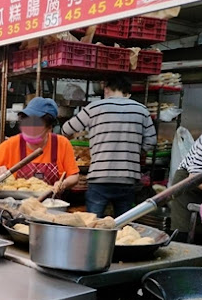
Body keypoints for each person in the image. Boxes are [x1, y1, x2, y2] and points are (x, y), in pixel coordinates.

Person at [61, 75, 157, 217]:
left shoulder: (94, 107)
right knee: (123, 227)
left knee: (93, 225)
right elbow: (151, 141)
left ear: (106, 90)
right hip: (128, 177)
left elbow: (66, 129)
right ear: (127, 92)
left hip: (99, 177)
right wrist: (134, 152)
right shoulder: (141, 110)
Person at [0, 97, 79, 191]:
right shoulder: (13, 143)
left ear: (49, 128)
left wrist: (63, 184)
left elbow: (74, 176)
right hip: (15, 203)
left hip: (51, 204)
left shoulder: (61, 144)